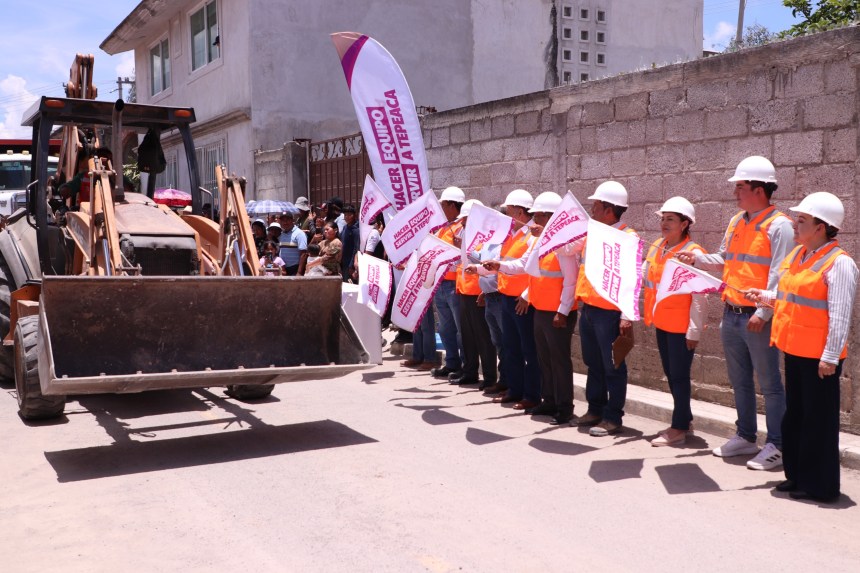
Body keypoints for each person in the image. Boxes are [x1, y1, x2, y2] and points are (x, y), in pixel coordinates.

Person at [678, 156, 793, 470]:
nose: (735, 192)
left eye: (740, 186)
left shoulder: (779, 225)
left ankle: (778, 445)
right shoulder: (736, 221)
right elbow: (726, 257)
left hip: (757, 317)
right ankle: (746, 435)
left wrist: (764, 311)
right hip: (731, 313)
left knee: (769, 384)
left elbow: (779, 274)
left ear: (759, 189)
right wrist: (697, 259)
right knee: (739, 380)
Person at [746, 192, 857, 503]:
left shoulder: (840, 263)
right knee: (796, 416)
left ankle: (820, 487)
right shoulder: (798, 255)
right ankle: (797, 476)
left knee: (818, 423)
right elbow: (786, 297)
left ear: (821, 227)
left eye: (803, 220)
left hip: (820, 358)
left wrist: (831, 357)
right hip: (795, 350)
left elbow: (839, 315)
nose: (795, 224)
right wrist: (763, 295)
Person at [573, 181, 638, 437]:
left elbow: (632, 279)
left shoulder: (627, 237)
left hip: (609, 313)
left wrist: (626, 315)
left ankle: (612, 417)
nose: (592, 211)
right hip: (589, 308)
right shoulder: (594, 232)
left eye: (596, 206)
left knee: (613, 365)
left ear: (609, 209)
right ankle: (595, 409)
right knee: (593, 363)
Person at [643, 197, 706, 447]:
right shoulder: (658, 246)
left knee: (679, 376)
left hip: (681, 327)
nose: (664, 223)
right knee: (671, 375)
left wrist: (694, 330)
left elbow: (699, 296)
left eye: (670, 219)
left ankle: (678, 428)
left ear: (684, 224)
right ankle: (685, 419)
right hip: (663, 322)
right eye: (663, 218)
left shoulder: (694, 253)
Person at [517, 192, 579, 425]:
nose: (533, 221)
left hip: (557, 314)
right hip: (540, 310)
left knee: (559, 360)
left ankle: (564, 407)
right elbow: (527, 269)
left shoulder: (564, 245)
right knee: (544, 358)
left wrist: (562, 311)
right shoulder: (538, 241)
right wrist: (497, 266)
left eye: (538, 216)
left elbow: (570, 281)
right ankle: (549, 400)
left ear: (551, 217)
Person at [482, 189, 541, 411]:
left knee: (528, 350)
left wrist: (526, 295)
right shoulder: (513, 235)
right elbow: (503, 263)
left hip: (521, 301)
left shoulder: (532, 236)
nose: (506, 215)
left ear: (518, 211)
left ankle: (531, 394)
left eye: (508, 211)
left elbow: (531, 268)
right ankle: (514, 390)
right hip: (506, 297)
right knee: (511, 348)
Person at [453, 200, 496, 388]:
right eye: (462, 220)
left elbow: (486, 262)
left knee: (483, 338)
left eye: (465, 219)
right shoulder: (462, 233)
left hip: (477, 292)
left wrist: (464, 248)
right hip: (463, 290)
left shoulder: (487, 237)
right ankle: (469, 371)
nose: (462, 223)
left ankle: (489, 377)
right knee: (467, 335)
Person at [429, 187, 466, 380]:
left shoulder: (461, 227)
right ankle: (451, 363)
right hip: (442, 283)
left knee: (460, 329)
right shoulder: (443, 227)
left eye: (443, 204)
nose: (441, 208)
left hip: (455, 285)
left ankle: (465, 367)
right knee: (445, 328)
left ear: (453, 205)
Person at [278, 210, 307, 276]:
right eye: (283, 220)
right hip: (283, 270)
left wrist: (299, 272)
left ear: (292, 220)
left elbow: (303, 254)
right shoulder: (282, 234)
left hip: (295, 269)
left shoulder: (299, 234)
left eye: (287, 220)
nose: (285, 222)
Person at [339, 204, 361, 281]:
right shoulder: (345, 227)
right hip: (343, 262)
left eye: (349, 215)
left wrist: (351, 265)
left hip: (350, 263)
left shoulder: (356, 230)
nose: (347, 217)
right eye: (345, 215)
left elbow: (356, 248)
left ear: (354, 215)